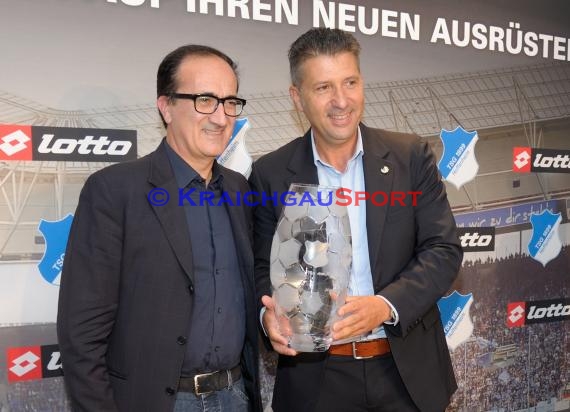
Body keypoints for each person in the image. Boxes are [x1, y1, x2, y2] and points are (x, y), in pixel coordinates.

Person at [249, 28, 463, 412]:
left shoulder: (409, 157)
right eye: (323, 88)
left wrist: (385, 305)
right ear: (297, 98)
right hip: (317, 378)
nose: (341, 101)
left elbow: (443, 249)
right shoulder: (270, 173)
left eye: (350, 82)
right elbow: (261, 268)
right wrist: (269, 315)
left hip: (406, 373)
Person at [57, 44, 262, 412]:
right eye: (204, 100)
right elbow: (81, 333)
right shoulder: (114, 190)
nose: (220, 117)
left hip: (235, 396)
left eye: (230, 102)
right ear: (166, 106)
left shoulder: (240, 189)